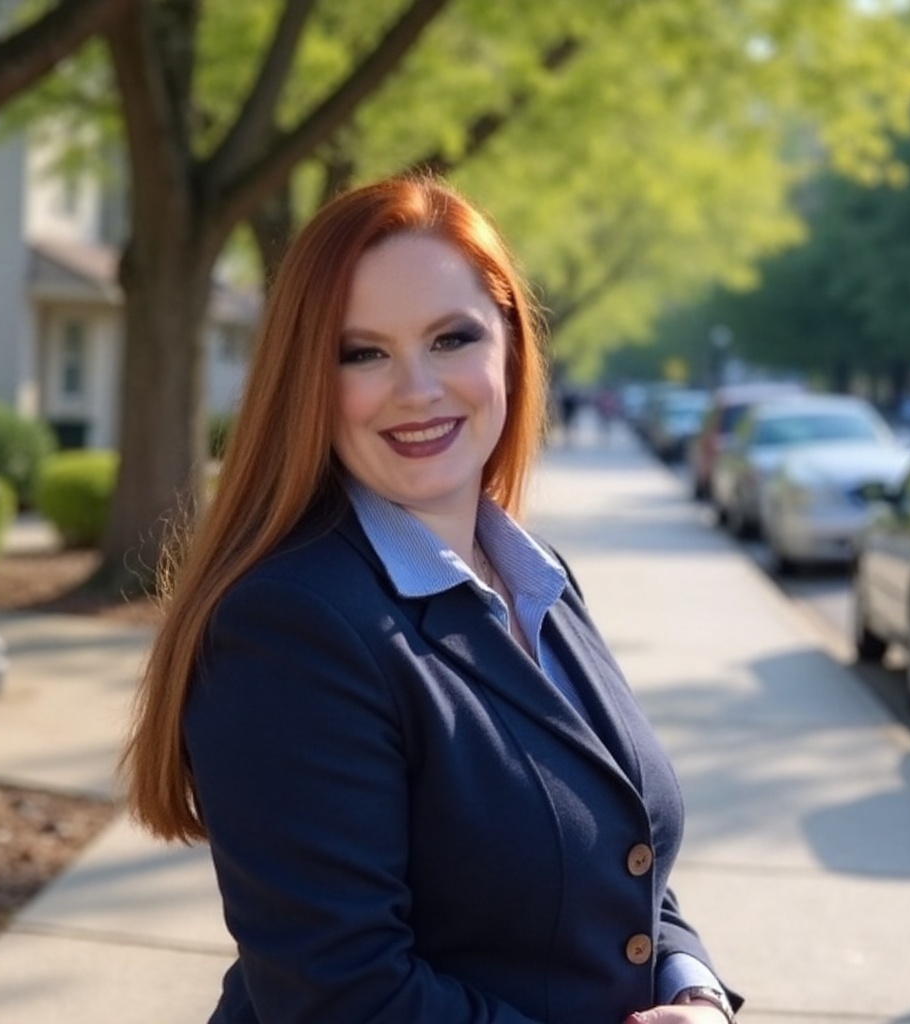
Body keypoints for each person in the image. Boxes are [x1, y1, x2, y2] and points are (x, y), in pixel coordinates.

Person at [120, 176, 742, 1024]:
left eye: (452, 338)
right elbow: (344, 996)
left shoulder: (537, 577)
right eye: (363, 352)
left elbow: (622, 865)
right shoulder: (290, 626)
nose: (417, 389)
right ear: (307, 378)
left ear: (512, 347)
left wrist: (692, 990)